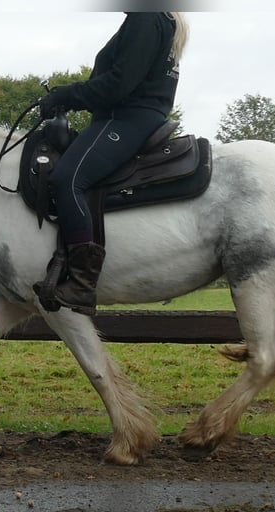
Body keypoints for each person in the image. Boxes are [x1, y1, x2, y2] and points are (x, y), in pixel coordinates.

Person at [37, 11, 189, 316]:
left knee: (68, 179)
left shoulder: (146, 17)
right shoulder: (156, 18)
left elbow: (118, 84)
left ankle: (82, 282)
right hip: (135, 117)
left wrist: (67, 94)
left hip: (126, 118)